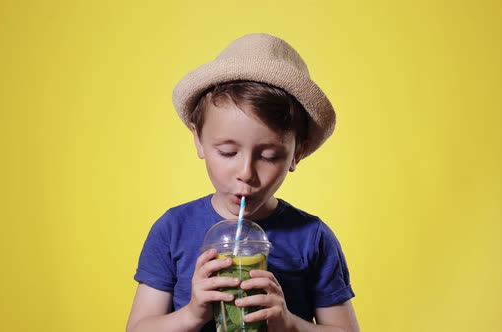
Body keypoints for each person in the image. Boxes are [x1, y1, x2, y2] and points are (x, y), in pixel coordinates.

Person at [126, 33, 360, 332]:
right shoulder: (173, 229)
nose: (246, 173)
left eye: (270, 155)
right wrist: (192, 314)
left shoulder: (313, 238)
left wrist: (289, 324)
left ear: (296, 153)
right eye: (227, 152)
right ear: (198, 140)